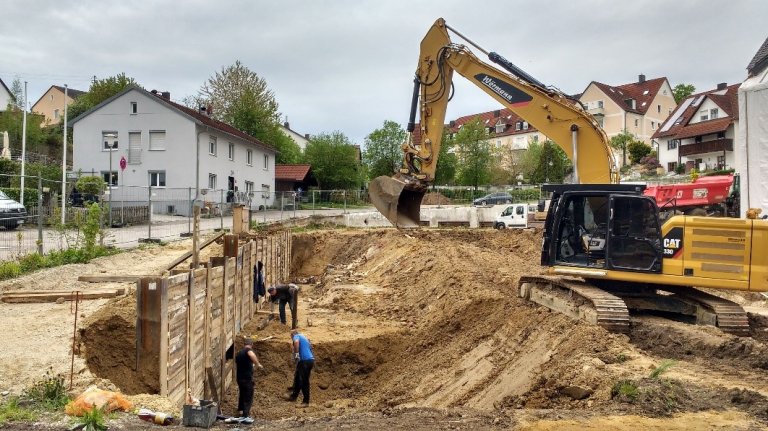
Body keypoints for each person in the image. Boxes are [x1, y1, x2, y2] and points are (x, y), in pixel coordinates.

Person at [234, 338, 263, 423]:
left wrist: (251, 366)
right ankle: (245, 415)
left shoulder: (239, 353)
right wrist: (258, 364)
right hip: (247, 378)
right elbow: (251, 355)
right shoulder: (248, 350)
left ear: (244, 344)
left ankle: (240, 410)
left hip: (239, 378)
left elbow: (243, 364)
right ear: (251, 344)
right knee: (248, 396)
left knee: (242, 393)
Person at [287, 329, 315, 405]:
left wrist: (296, 354)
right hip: (309, 360)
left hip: (305, 361)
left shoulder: (296, 336)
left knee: (304, 381)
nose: (291, 338)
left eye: (291, 337)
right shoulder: (304, 337)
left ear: (292, 335)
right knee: (298, 378)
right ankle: (293, 396)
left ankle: (306, 401)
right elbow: (311, 347)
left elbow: (296, 342)